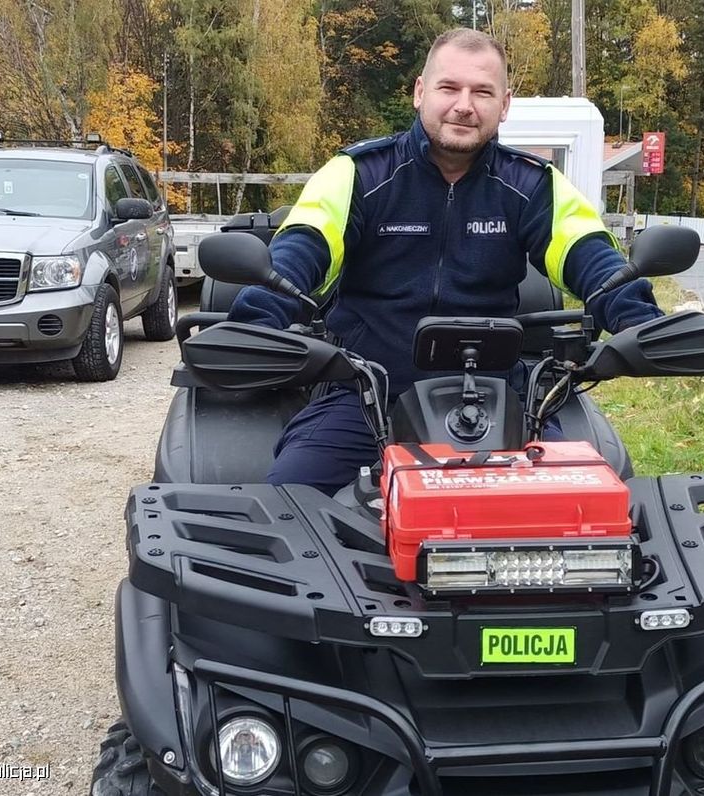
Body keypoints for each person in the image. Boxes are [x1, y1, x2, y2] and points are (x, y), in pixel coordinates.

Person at [230, 27, 663, 494]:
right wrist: (253, 329)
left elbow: (590, 256)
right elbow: (301, 250)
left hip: (498, 396)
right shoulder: (359, 173)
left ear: (505, 104)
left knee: (580, 506)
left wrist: (643, 324)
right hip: (367, 392)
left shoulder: (533, 185)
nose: (464, 105)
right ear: (420, 92)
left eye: (482, 92)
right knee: (289, 499)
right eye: (449, 88)